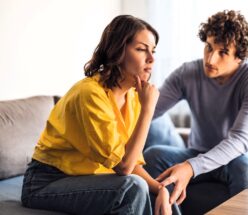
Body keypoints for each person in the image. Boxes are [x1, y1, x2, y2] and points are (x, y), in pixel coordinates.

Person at [21, 15, 173, 215]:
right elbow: (124, 168)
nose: (151, 59)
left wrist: (161, 189)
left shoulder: (133, 97)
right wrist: (148, 109)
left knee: (161, 194)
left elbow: (132, 161)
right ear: (118, 51)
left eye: (152, 51)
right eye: (141, 49)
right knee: (132, 188)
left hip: (86, 179)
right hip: (45, 182)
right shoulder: (90, 94)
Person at [144, 10, 248, 212]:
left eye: (223, 52)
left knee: (243, 165)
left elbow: (239, 140)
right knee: (154, 155)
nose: (211, 60)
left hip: (241, 156)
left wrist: (191, 167)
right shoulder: (187, 73)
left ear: (240, 57)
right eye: (208, 48)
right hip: (198, 152)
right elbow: (150, 112)